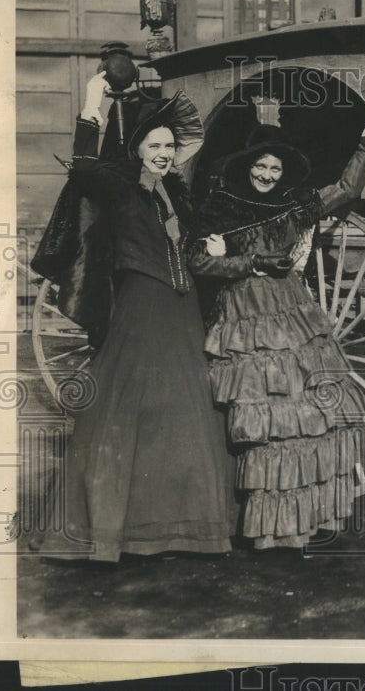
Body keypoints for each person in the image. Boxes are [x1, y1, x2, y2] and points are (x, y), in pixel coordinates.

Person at [37, 73, 234, 561]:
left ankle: (185, 529)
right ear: (139, 147)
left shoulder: (178, 195)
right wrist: (91, 105)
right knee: (123, 408)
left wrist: (213, 247)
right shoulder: (119, 185)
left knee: (189, 412)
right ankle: (108, 532)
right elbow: (81, 168)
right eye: (155, 144)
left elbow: (187, 248)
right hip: (139, 306)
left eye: (170, 145)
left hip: (183, 310)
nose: (164, 152)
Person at [190, 116, 365, 549]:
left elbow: (344, 191)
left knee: (309, 414)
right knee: (264, 422)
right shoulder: (220, 206)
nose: (266, 176)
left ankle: (307, 521)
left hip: (291, 309)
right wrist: (250, 264)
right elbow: (200, 264)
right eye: (261, 167)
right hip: (246, 317)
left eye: (275, 169)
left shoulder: (293, 203)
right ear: (247, 166)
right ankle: (265, 528)